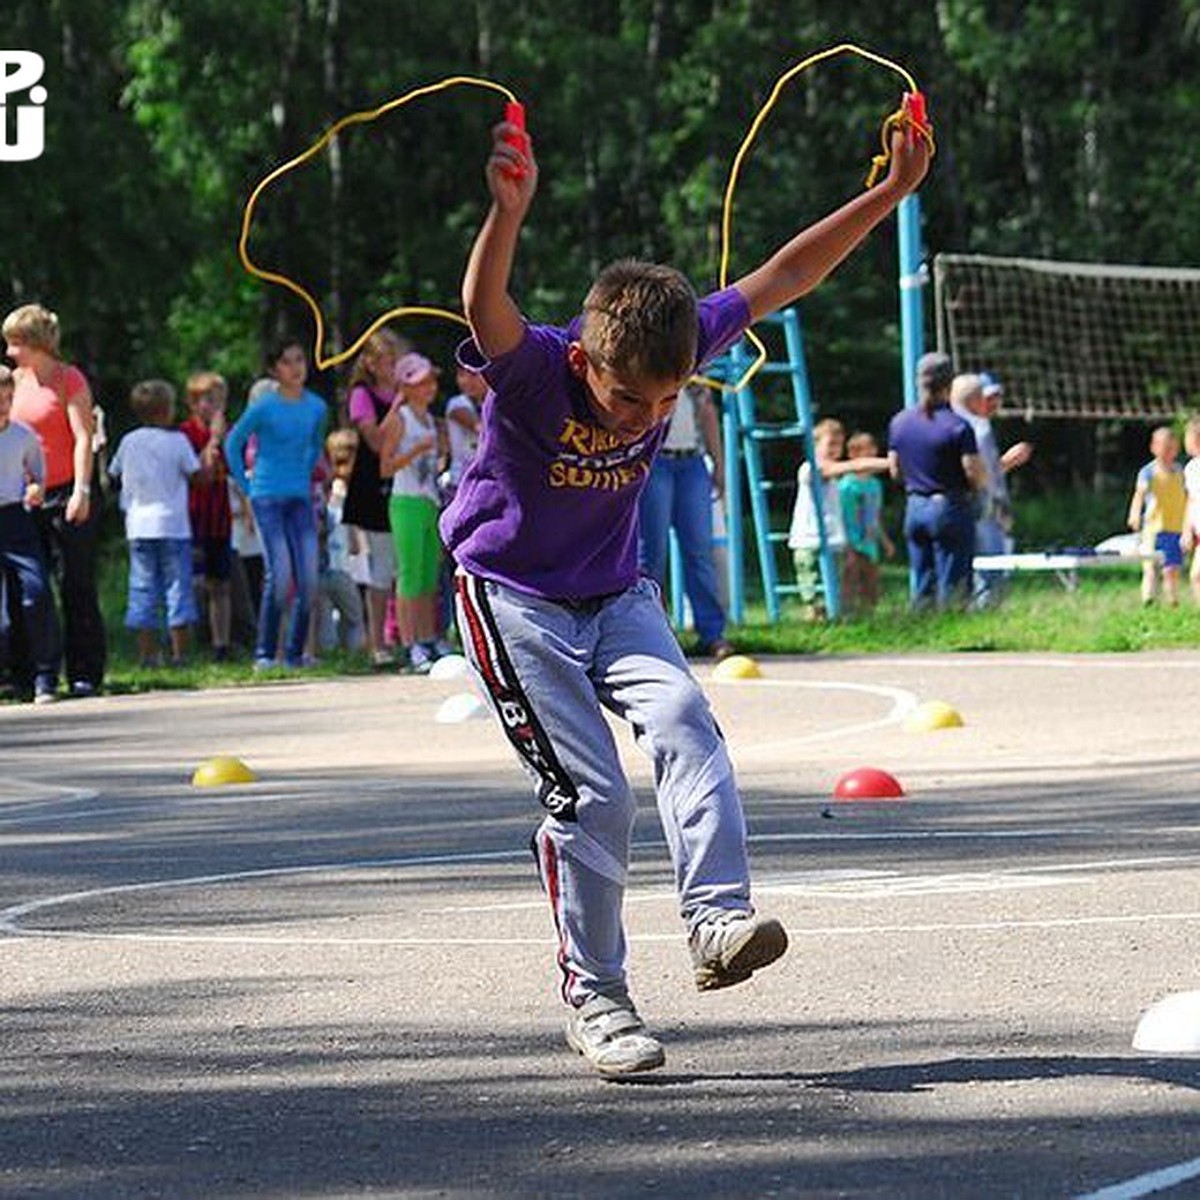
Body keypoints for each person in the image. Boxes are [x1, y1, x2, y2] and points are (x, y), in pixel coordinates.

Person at [438, 105, 930, 1075]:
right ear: (586, 360)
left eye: (668, 401)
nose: (647, 416)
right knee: (590, 796)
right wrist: (509, 212)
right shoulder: (537, 368)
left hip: (618, 593)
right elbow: (480, 303)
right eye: (630, 400)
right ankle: (597, 996)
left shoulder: (677, 348)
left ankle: (716, 923)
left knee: (688, 723)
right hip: (514, 599)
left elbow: (787, 274)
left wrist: (888, 192)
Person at [3, 303, 105, 696]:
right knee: (31, 588)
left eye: (15, 343)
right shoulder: (15, 380)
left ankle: (85, 671)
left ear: (35, 343)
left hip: (67, 490)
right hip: (28, 496)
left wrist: (81, 490)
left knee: (76, 583)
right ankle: (31, 672)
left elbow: (83, 437)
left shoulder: (68, 379)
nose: (10, 352)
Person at [225, 338, 328, 669]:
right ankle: (266, 654)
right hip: (267, 497)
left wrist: (305, 470)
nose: (296, 367)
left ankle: (296, 654)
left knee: (309, 579)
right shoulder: (264, 407)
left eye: (300, 360)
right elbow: (233, 443)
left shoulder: (317, 407)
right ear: (274, 370)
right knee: (280, 577)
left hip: (300, 499)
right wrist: (247, 485)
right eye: (287, 362)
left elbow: (315, 445)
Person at [108, 380, 201, 667]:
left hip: (138, 525)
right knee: (177, 587)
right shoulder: (177, 441)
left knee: (143, 587)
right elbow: (196, 475)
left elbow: (114, 473)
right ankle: (179, 653)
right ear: (167, 410)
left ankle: (147, 654)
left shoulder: (129, 441)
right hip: (173, 525)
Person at [637, 382, 732, 657]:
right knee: (651, 555)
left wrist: (719, 465)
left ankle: (712, 634)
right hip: (656, 462)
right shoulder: (655, 367)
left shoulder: (696, 373)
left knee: (699, 551)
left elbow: (708, 415)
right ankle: (652, 634)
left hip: (692, 463)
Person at [888, 352, 984, 609]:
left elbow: (895, 471)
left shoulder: (899, 422)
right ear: (950, 384)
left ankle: (922, 636)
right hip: (950, 508)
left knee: (922, 582)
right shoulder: (959, 426)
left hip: (915, 508)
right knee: (954, 585)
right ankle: (952, 637)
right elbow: (973, 473)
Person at [343, 329, 406, 667]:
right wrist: (399, 404)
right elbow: (377, 442)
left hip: (404, 486)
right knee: (381, 570)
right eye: (388, 360)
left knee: (404, 567)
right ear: (369, 362)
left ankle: (403, 637)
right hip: (373, 491)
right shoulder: (362, 394)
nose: (394, 367)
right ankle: (377, 643)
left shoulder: (403, 392)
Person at [379, 351, 445, 672]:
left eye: (431, 380)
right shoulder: (400, 418)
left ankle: (428, 637)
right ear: (406, 387)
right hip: (405, 501)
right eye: (421, 382)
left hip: (429, 501)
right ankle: (410, 644)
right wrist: (417, 450)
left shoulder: (430, 419)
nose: (429, 387)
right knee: (409, 575)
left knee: (427, 574)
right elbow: (385, 467)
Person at [0, 364, 61, 703]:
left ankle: (45, 675)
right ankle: (11, 676)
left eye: (6, 399)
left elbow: (37, 475)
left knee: (36, 592)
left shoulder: (23, 436)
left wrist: (35, 489)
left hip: (14, 517)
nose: (2, 407)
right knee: (3, 615)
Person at [788, 418, 888, 621]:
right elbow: (856, 465)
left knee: (842, 588)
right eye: (830, 444)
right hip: (810, 540)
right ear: (815, 445)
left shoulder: (834, 477)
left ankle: (843, 622)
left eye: (839, 444)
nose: (836, 449)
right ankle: (815, 622)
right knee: (814, 593)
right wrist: (890, 462)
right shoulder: (811, 469)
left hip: (834, 540)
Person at [950, 372, 1033, 608]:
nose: (995, 402)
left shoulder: (953, 423)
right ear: (976, 398)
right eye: (990, 396)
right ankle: (986, 616)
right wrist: (1007, 462)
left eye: (998, 396)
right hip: (983, 507)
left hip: (969, 505)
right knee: (991, 568)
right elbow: (980, 476)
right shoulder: (979, 428)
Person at [180, 370, 235, 661]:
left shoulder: (230, 433)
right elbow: (197, 473)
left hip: (220, 518)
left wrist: (223, 440)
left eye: (217, 400)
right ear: (193, 403)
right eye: (205, 400)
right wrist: (212, 441)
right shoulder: (185, 433)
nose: (212, 407)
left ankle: (221, 645)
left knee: (221, 583)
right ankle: (185, 644)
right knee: (194, 583)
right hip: (193, 516)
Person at [314, 428, 367, 652]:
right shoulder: (349, 493)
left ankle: (329, 655)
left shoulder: (322, 489)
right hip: (342, 569)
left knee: (325, 617)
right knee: (354, 618)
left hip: (321, 568)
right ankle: (355, 654)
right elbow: (353, 539)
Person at [1127, 425, 1186, 607]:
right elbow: (1140, 495)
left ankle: (1173, 602)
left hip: (1176, 528)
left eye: (1172, 448)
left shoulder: (1181, 472)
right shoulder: (1148, 472)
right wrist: (1135, 513)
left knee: (1171, 570)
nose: (1168, 452)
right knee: (1150, 567)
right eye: (1164, 447)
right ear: (1154, 447)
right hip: (1154, 528)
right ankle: (1148, 601)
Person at [839, 431, 895, 616]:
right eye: (867, 453)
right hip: (851, 542)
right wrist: (845, 541)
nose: (872, 456)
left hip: (870, 544)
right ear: (853, 455)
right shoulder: (846, 485)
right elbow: (841, 515)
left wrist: (884, 541)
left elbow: (874, 516)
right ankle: (847, 615)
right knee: (850, 582)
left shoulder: (875, 485)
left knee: (871, 584)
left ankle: (868, 617)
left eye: (874, 451)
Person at [1182, 417, 1200, 605]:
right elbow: (1191, 501)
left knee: (1196, 576)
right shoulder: (1191, 468)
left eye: (1187, 436)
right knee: (1196, 576)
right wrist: (1187, 530)